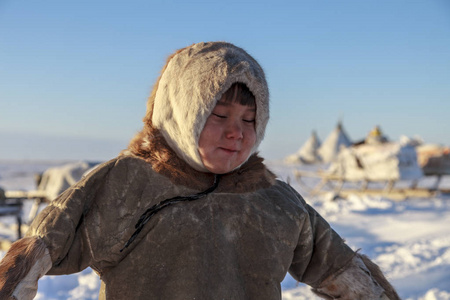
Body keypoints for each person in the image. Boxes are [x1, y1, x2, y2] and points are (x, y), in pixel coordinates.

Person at [0, 42, 400, 300]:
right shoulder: (125, 185)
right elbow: (41, 247)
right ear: (179, 114)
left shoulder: (272, 200)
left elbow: (338, 268)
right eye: (219, 114)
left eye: (249, 119)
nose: (235, 133)